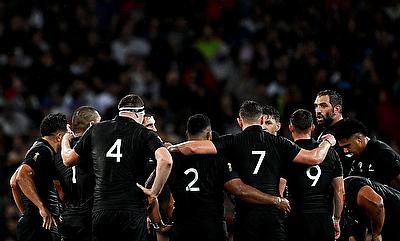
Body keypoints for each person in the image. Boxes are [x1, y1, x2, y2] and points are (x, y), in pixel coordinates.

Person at [168, 100, 336, 241]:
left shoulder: (232, 141)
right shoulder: (281, 143)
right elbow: (315, 157)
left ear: (239, 121)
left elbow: (194, 148)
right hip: (273, 214)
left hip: (246, 214)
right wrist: (327, 142)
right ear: (262, 120)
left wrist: (171, 147)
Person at [153, 113, 290, 241]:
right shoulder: (218, 159)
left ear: (187, 134)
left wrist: (159, 223)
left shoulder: (171, 159)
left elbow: (151, 194)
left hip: (182, 228)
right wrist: (275, 200)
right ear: (209, 135)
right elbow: (239, 190)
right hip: (212, 229)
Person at [61, 94, 173, 241]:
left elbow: (68, 160)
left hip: (102, 209)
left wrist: (64, 140)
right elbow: (166, 161)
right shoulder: (144, 133)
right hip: (131, 209)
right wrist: (154, 193)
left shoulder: (95, 130)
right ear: (138, 113)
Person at [285, 109, 344, 241]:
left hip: (296, 217)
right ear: (312, 127)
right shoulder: (331, 153)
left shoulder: (286, 152)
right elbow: (340, 190)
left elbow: (280, 187)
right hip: (323, 219)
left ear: (290, 127)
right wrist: (336, 219)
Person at [11, 113, 68, 241]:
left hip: (35, 223)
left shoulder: (39, 148)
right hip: (40, 226)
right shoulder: (43, 150)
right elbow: (21, 176)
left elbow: (13, 183)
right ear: (59, 137)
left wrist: (26, 213)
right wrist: (41, 208)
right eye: (66, 135)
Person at [53, 106, 101, 241]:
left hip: (69, 218)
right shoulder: (96, 148)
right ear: (92, 125)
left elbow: (58, 187)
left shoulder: (59, 152)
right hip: (92, 217)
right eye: (100, 122)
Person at [335, 118, 400, 191]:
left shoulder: (383, 154)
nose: (345, 151)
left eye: (347, 146)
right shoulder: (357, 157)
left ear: (359, 139)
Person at [342, 176, 400, 241]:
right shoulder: (345, 206)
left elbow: (377, 203)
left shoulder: (350, 186)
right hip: (387, 217)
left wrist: (376, 235)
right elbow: (354, 234)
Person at [314, 89, 353, 176]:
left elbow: (348, 166)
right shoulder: (325, 131)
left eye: (323, 106)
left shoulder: (348, 130)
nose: (318, 110)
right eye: (316, 106)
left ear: (337, 109)